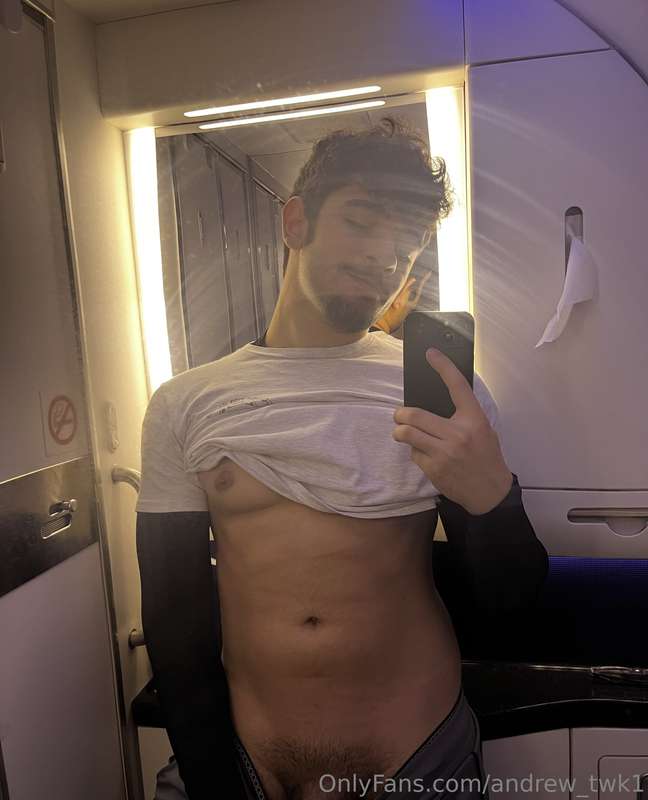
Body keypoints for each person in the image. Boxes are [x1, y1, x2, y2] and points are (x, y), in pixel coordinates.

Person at [136, 119, 548, 800]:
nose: (386, 257)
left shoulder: (445, 391)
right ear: (296, 221)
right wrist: (215, 782)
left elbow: (515, 608)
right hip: (242, 764)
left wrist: (493, 498)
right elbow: (175, 621)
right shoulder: (186, 402)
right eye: (361, 222)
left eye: (407, 244)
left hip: (419, 758)